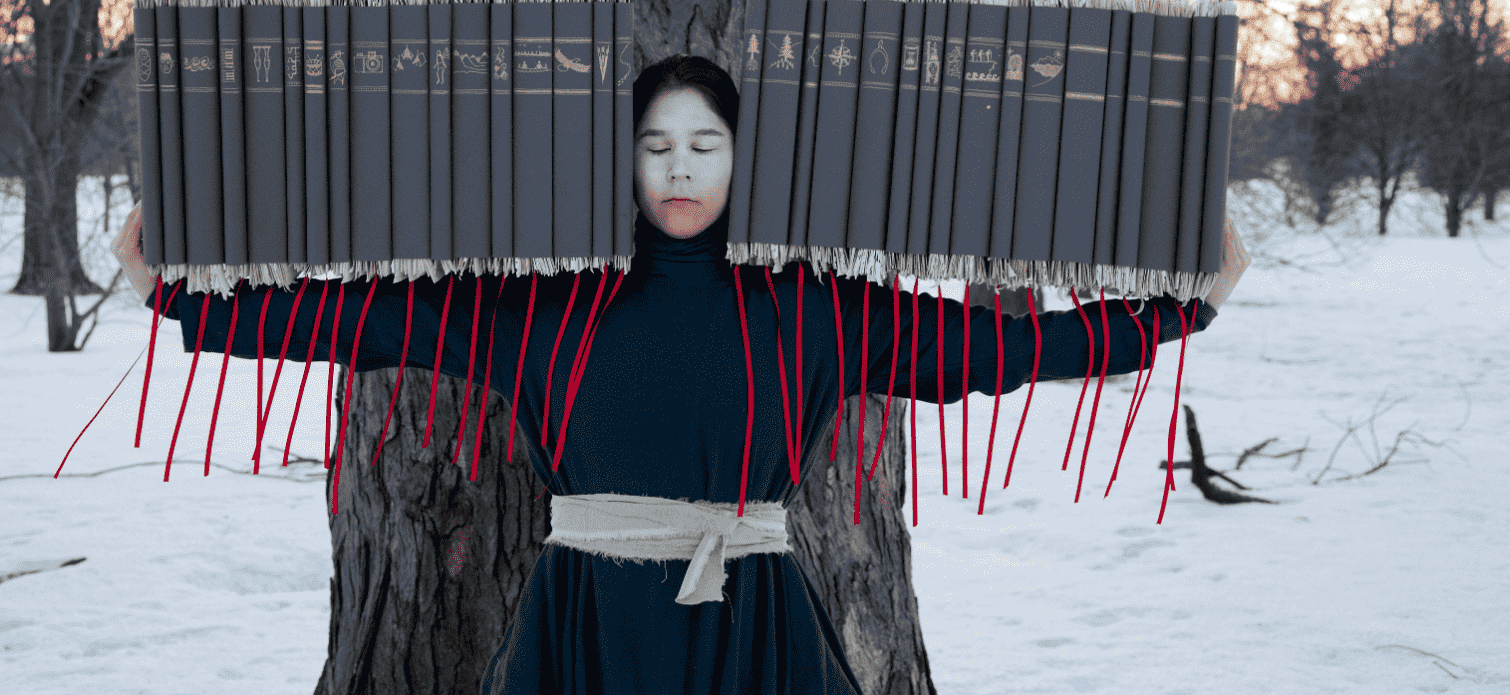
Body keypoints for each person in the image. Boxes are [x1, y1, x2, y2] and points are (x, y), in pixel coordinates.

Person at [111, 54, 1251, 694]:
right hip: (582, 624)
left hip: (752, 618)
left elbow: (996, 352)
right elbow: (359, 321)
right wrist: (173, 292)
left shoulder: (815, 306)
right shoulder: (542, 305)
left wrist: (1178, 312)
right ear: (620, 159)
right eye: (655, 143)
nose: (680, 165)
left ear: (746, 159)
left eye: (706, 143)